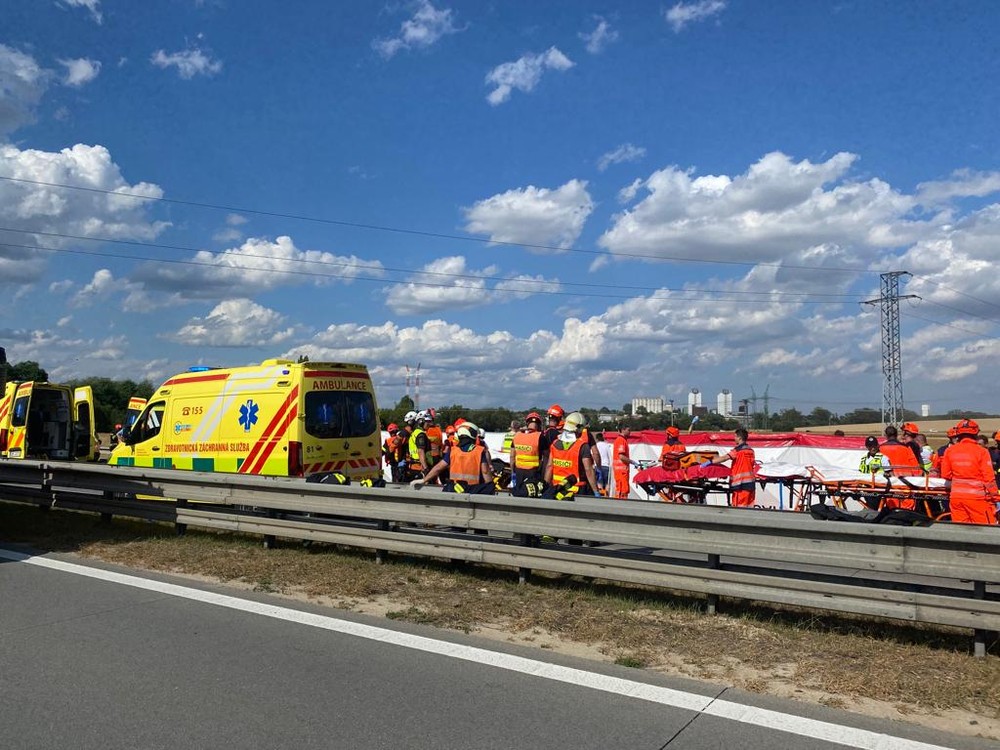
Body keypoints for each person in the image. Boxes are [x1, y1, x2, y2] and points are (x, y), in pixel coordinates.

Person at [940, 418, 998, 525]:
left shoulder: (949, 451)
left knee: (962, 532)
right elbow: (989, 478)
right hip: (977, 499)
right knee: (986, 532)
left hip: (956, 498)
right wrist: (995, 497)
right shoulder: (982, 451)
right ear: (976, 433)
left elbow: (945, 474)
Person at [412, 422, 495, 494]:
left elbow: (438, 468)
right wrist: (490, 488)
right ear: (473, 435)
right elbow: (485, 472)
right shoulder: (479, 451)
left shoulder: (453, 451)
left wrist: (424, 480)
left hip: (455, 490)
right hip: (473, 491)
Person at [544, 411, 599, 498]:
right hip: (577, 492)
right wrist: (596, 491)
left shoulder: (555, 444)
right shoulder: (582, 446)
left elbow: (549, 467)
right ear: (579, 428)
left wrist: (545, 487)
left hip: (558, 490)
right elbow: (588, 470)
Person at [703, 427, 756, 508]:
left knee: (739, 509)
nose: (734, 438)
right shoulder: (751, 451)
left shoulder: (738, 451)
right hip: (750, 485)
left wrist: (710, 462)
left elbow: (724, 458)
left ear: (739, 438)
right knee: (749, 508)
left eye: (735, 437)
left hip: (740, 485)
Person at [510, 412, 549, 496]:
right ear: (538, 424)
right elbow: (546, 457)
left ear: (527, 423)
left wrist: (513, 472)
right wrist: (544, 475)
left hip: (519, 471)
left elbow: (512, 456)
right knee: (531, 495)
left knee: (518, 494)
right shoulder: (540, 437)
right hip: (533, 473)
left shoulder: (517, 436)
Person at [405, 410, 431, 480]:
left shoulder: (415, 432)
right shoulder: (420, 434)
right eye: (427, 422)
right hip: (419, 467)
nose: (429, 424)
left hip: (413, 466)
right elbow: (420, 451)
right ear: (421, 421)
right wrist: (425, 468)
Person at [611, 425, 634, 500]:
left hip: (621, 470)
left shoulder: (621, 440)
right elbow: (621, 456)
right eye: (628, 430)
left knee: (622, 490)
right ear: (623, 430)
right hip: (621, 471)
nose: (630, 432)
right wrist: (632, 462)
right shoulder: (621, 440)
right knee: (622, 491)